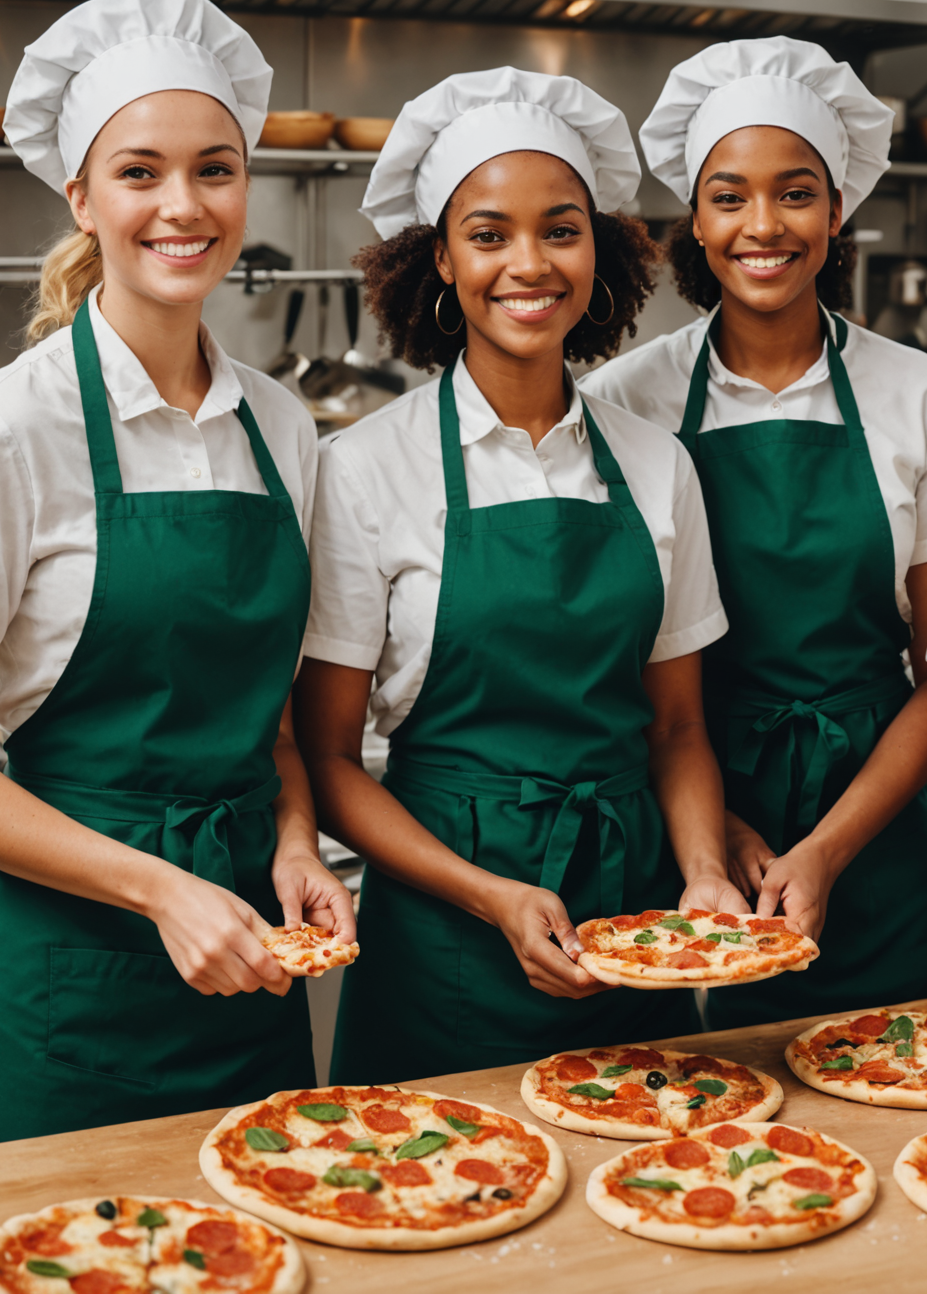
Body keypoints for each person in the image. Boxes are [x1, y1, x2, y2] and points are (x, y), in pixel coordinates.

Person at [0, 0, 352, 1146]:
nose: (182, 206)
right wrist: (158, 888)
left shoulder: (283, 429)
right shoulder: (7, 432)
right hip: (69, 991)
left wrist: (295, 840)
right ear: (81, 196)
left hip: (247, 972)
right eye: (139, 173)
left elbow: (273, 719)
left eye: (216, 169)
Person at [296, 67, 744, 1083]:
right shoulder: (364, 469)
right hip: (443, 929)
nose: (528, 264)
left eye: (561, 229)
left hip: (640, 921)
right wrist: (488, 895)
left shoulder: (655, 463)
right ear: (441, 261)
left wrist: (706, 876)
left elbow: (675, 728)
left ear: (602, 252)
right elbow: (326, 762)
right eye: (489, 235)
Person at [581, 38, 927, 1028]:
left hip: (874, 827)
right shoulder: (626, 397)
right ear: (697, 222)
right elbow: (610, 665)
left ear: (838, 212)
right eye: (729, 196)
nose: (764, 224)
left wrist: (829, 850)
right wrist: (719, 833)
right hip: (686, 839)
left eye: (796, 193)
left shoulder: (921, 396)